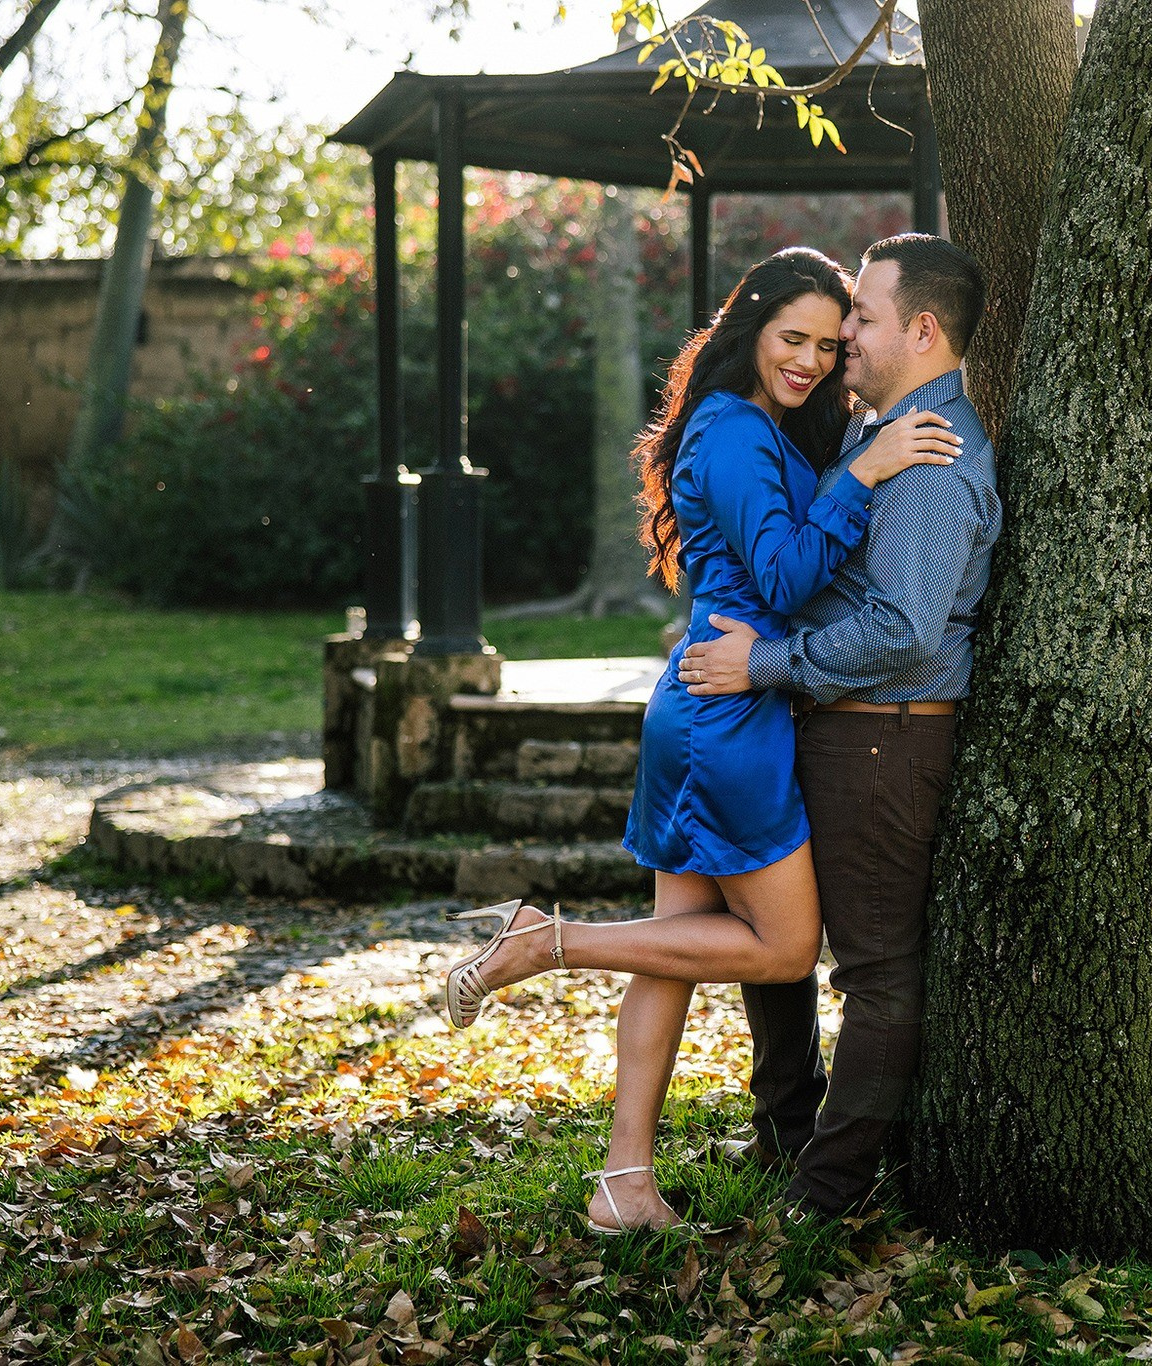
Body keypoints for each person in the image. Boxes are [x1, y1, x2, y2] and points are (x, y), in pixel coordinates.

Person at [440, 247, 964, 1233]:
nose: (811, 360)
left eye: (827, 343)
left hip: (716, 699)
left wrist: (849, 452)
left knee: (671, 951)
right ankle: (547, 939)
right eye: (792, 338)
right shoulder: (731, 430)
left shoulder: (764, 426)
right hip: (730, 713)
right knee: (785, 947)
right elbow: (784, 577)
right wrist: (864, 469)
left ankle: (623, 1181)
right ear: (748, 329)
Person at [677, 233, 998, 1220]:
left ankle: (827, 1194)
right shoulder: (874, 432)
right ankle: (784, 1133)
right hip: (826, 727)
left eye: (860, 316)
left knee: (875, 970)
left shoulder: (931, 460)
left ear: (922, 329)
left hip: (882, 739)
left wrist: (763, 663)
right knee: (770, 940)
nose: (841, 335)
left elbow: (902, 631)